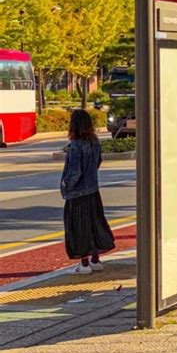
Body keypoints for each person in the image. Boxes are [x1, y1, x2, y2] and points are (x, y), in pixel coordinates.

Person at [61, 109, 115, 274]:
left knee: (79, 228)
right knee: (94, 224)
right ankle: (95, 260)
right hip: (93, 191)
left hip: (78, 194)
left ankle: (84, 264)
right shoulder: (94, 142)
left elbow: (74, 172)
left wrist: (66, 185)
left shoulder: (76, 146)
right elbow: (98, 161)